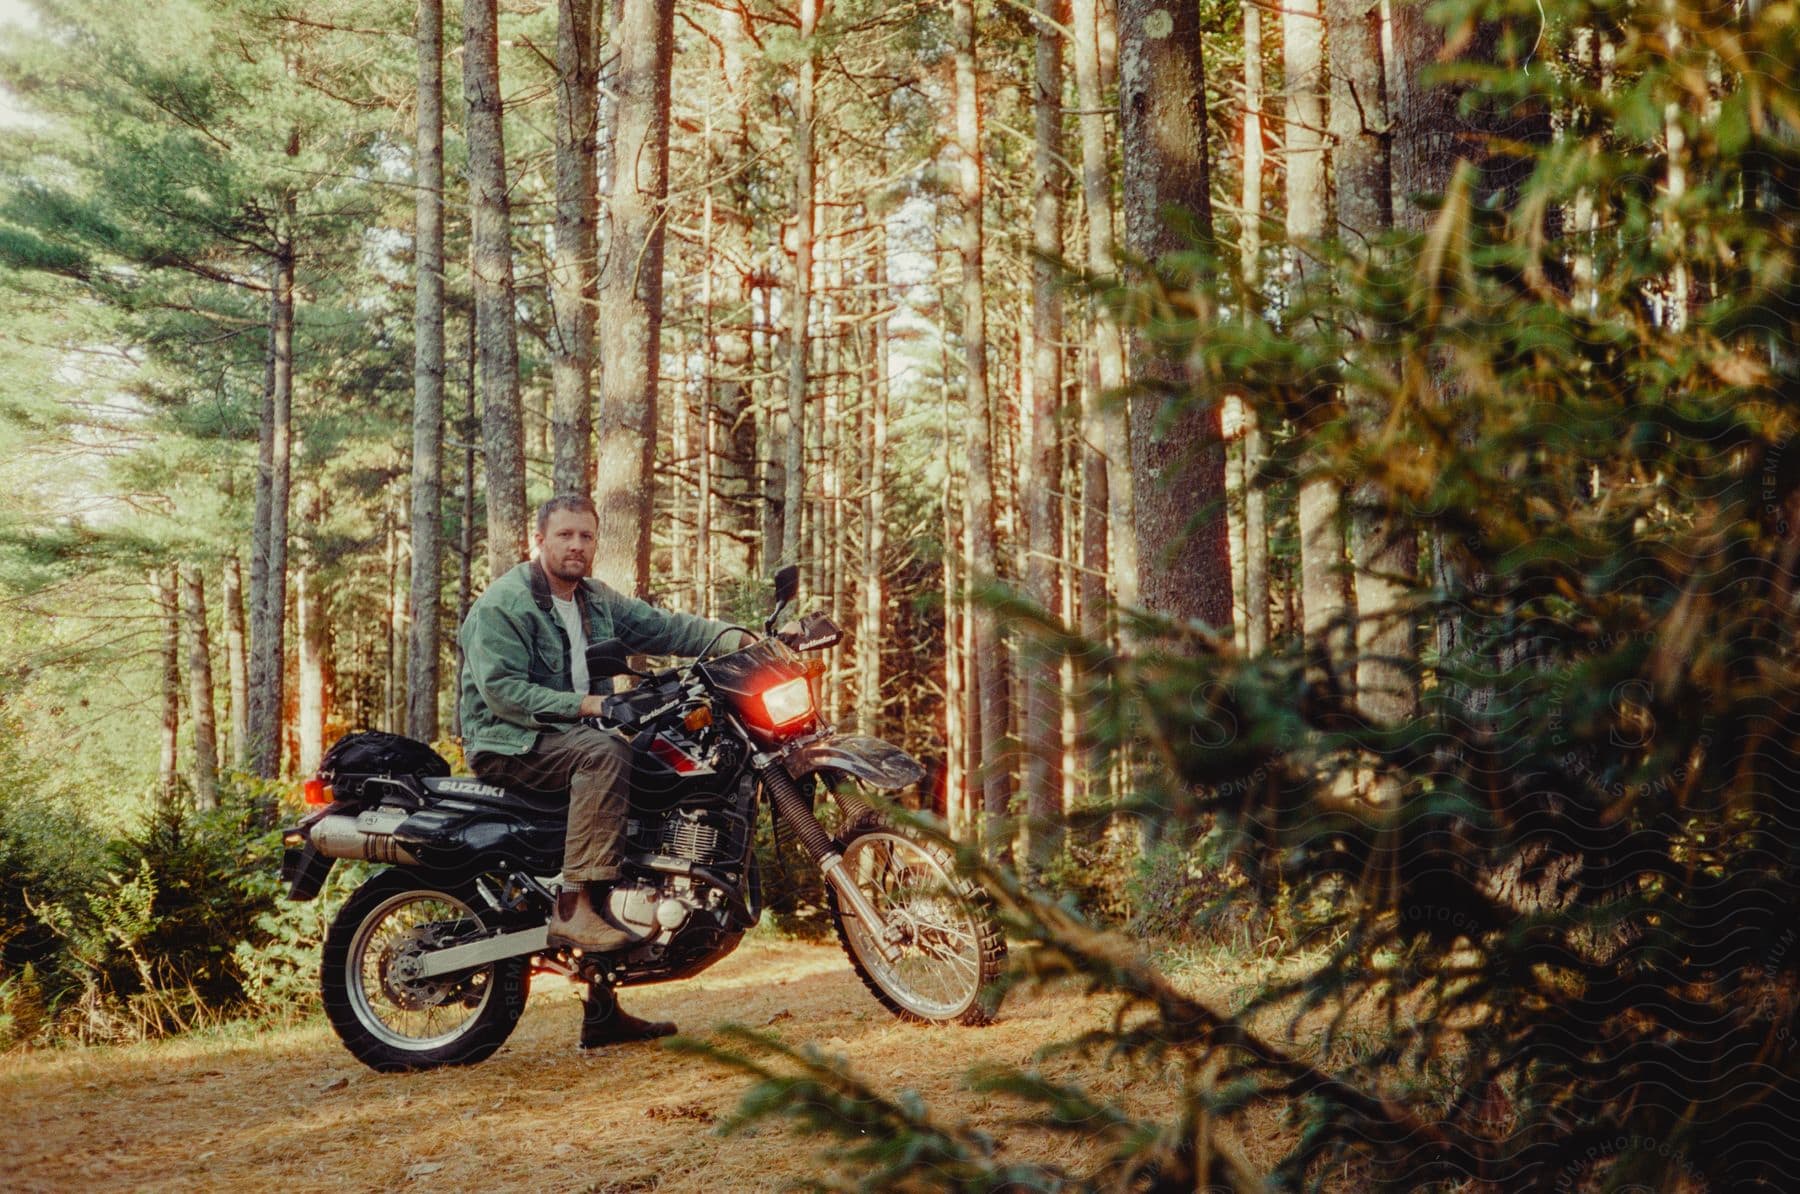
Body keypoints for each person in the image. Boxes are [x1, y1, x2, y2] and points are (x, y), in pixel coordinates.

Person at [457, 494, 746, 1043]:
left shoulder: (594, 600)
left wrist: (734, 638)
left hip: (570, 737)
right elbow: (503, 693)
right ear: (536, 540)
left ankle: (603, 1009)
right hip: (511, 740)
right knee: (607, 752)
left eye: (586, 537)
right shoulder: (505, 604)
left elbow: (663, 628)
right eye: (565, 535)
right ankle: (573, 904)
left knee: (656, 769)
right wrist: (591, 706)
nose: (576, 546)